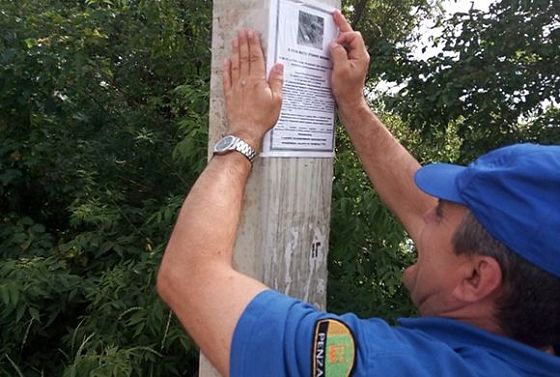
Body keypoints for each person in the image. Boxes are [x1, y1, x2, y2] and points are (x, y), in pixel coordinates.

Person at [156, 10, 560, 377]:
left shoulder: (396, 368)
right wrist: (352, 103)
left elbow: (190, 275)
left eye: (440, 213)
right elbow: (423, 210)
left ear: (476, 277)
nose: (424, 216)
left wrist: (243, 132)